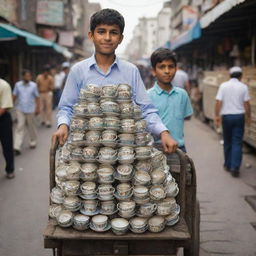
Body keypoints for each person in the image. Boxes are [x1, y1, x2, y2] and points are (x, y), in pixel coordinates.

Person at [52, 8, 177, 153]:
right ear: (91, 35)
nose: (107, 37)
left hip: (125, 150)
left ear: (120, 38)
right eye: (101, 31)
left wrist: (163, 132)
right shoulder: (78, 70)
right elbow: (66, 108)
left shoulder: (131, 71)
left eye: (113, 32)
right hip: (85, 150)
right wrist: (63, 126)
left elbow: (146, 110)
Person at [147, 48, 193, 152]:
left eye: (171, 67)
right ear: (153, 71)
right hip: (155, 148)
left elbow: (187, 116)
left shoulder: (182, 94)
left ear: (176, 69)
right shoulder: (147, 96)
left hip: (179, 147)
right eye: (162, 67)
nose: (167, 71)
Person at [214, 66, 251, 177]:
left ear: (230, 75)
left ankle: (227, 164)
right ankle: (235, 167)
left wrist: (216, 115)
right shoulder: (243, 87)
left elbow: (218, 102)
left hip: (226, 117)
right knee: (237, 142)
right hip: (239, 117)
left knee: (227, 141)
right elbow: (247, 104)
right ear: (240, 76)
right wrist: (249, 116)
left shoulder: (223, 86)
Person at [13, 70, 40, 155]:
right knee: (19, 126)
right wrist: (10, 105)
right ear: (23, 76)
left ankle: (32, 141)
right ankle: (17, 146)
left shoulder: (33, 86)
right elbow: (14, 95)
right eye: (26, 76)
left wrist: (38, 108)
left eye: (29, 76)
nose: (28, 77)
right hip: (20, 109)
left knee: (31, 126)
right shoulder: (17, 85)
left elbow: (37, 97)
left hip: (30, 109)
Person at [0, 78, 15, 179]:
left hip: (3, 119)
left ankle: (10, 169)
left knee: (7, 146)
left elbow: (4, 108)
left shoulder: (4, 85)